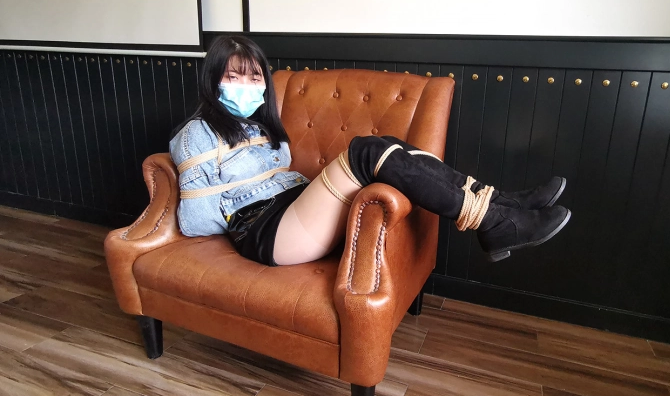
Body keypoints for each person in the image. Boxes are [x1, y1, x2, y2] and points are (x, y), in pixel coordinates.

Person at [169, 36, 571, 265]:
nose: (247, 86)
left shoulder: (259, 124)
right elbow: (194, 220)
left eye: (255, 76)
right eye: (234, 76)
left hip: (294, 209)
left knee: (388, 147)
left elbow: (282, 170)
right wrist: (238, 204)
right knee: (365, 152)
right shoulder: (196, 134)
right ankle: (494, 221)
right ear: (212, 79)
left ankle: (501, 206)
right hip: (266, 232)